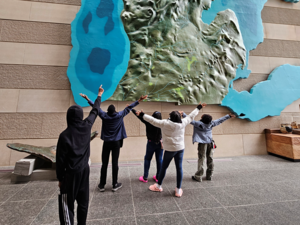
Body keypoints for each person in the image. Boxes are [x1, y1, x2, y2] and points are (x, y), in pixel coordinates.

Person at [80, 93, 148, 192]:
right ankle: (114, 184)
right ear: (115, 110)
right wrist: (139, 100)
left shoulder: (104, 115)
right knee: (115, 163)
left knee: (104, 164)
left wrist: (87, 99)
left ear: (107, 111)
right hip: (116, 143)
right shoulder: (119, 115)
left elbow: (96, 107)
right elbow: (130, 107)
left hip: (106, 143)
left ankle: (102, 185)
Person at [135, 102, 205, 197]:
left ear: (170, 117)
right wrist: (199, 107)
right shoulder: (183, 122)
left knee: (164, 167)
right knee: (179, 168)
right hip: (180, 148)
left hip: (169, 150)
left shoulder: (165, 123)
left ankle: (159, 186)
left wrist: (142, 114)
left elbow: (152, 120)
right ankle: (178, 190)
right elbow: (191, 116)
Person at [56, 85, 104, 225]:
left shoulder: (64, 136)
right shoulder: (86, 126)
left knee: (66, 204)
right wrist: (99, 94)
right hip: (84, 171)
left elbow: (60, 160)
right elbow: (95, 111)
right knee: (83, 203)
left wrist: (60, 178)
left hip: (70, 174)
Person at [188, 113, 236, 182]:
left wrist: (182, 114)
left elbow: (189, 119)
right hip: (210, 143)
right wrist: (228, 116)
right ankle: (209, 176)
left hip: (202, 144)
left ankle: (198, 176)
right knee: (210, 158)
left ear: (202, 118)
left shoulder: (197, 124)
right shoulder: (212, 123)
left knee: (202, 158)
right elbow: (220, 120)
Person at [131, 109, 163, 183]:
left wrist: (132, 109)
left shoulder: (149, 122)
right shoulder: (163, 123)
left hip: (151, 143)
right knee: (159, 160)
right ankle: (158, 177)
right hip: (160, 143)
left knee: (147, 159)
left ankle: (145, 177)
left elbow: (139, 116)